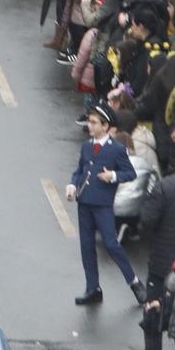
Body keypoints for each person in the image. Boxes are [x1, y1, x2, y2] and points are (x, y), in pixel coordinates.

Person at [67, 103, 140, 306]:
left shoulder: (116, 149)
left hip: (102, 204)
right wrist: (73, 185)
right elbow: (80, 170)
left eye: (94, 122)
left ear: (106, 126)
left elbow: (130, 173)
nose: (89, 126)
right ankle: (93, 288)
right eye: (89, 122)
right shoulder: (87, 146)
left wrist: (113, 176)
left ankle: (134, 282)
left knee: (111, 244)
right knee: (87, 246)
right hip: (85, 202)